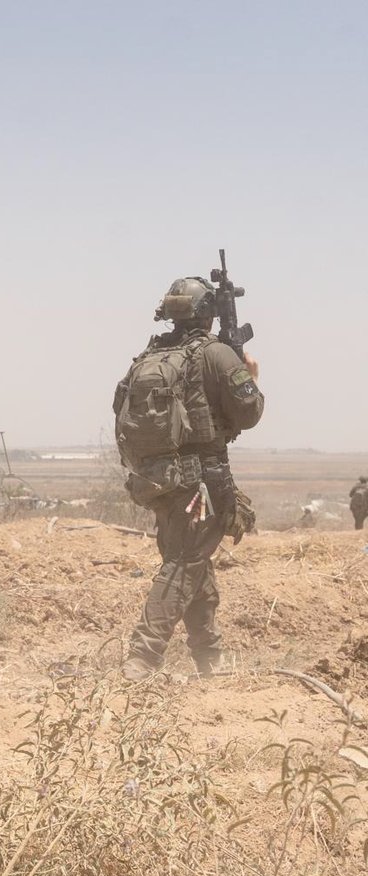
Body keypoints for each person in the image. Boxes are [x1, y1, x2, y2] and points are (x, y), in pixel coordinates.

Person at [114, 277, 264, 681]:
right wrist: (251, 375)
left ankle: (209, 660)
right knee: (184, 563)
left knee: (193, 561)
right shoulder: (215, 354)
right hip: (201, 483)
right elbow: (248, 413)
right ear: (207, 313)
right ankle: (141, 660)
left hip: (156, 480)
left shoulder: (150, 355)